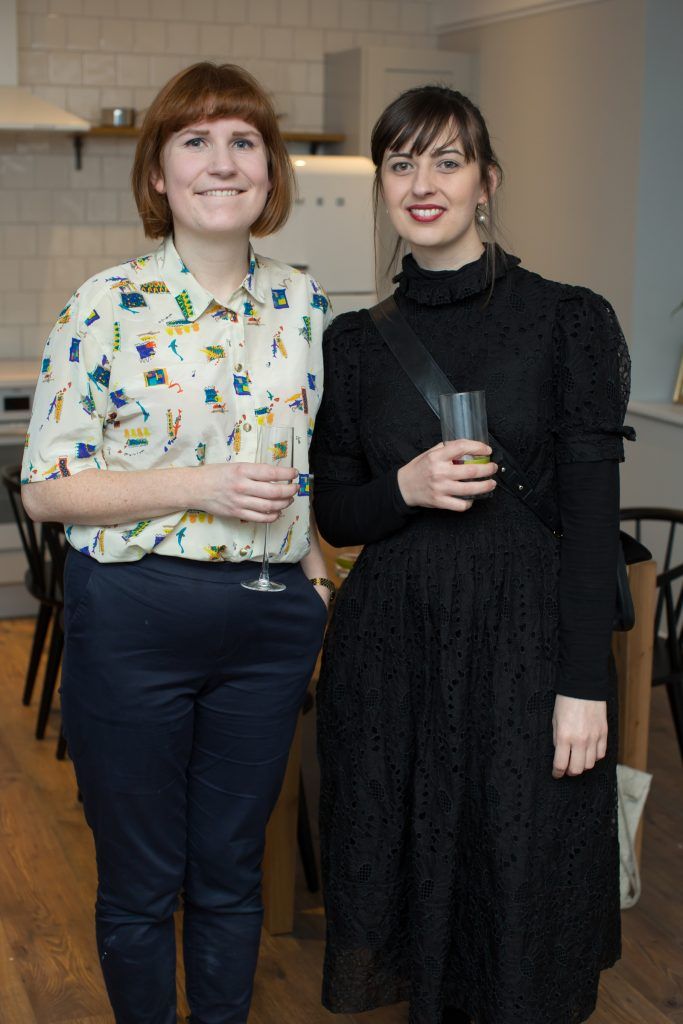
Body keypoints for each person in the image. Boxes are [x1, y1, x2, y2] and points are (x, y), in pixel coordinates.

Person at [310, 84, 632, 1024]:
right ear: (381, 185)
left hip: (527, 658)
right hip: (391, 658)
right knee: (410, 880)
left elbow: (586, 526)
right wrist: (403, 489)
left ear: (485, 183)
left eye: (446, 160)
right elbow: (335, 514)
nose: (423, 182)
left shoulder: (565, 320)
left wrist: (585, 686)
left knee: (518, 881)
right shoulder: (355, 346)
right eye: (401, 163)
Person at [21, 62, 334, 1024]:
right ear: (158, 175)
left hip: (270, 624)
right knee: (142, 881)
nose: (222, 161)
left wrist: (315, 573)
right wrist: (203, 483)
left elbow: (316, 460)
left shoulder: (306, 307)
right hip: (137, 617)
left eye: (243, 140)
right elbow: (44, 491)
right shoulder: (102, 307)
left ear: (269, 172)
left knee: (235, 871)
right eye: (194, 141)